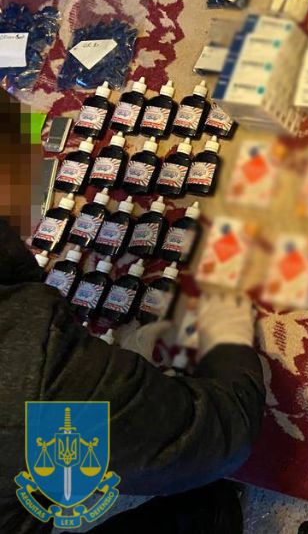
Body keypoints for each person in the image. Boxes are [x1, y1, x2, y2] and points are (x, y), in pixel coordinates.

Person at [0, 97, 265, 533]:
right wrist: (229, 339)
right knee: (191, 499)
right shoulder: (36, 374)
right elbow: (216, 436)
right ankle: (209, 513)